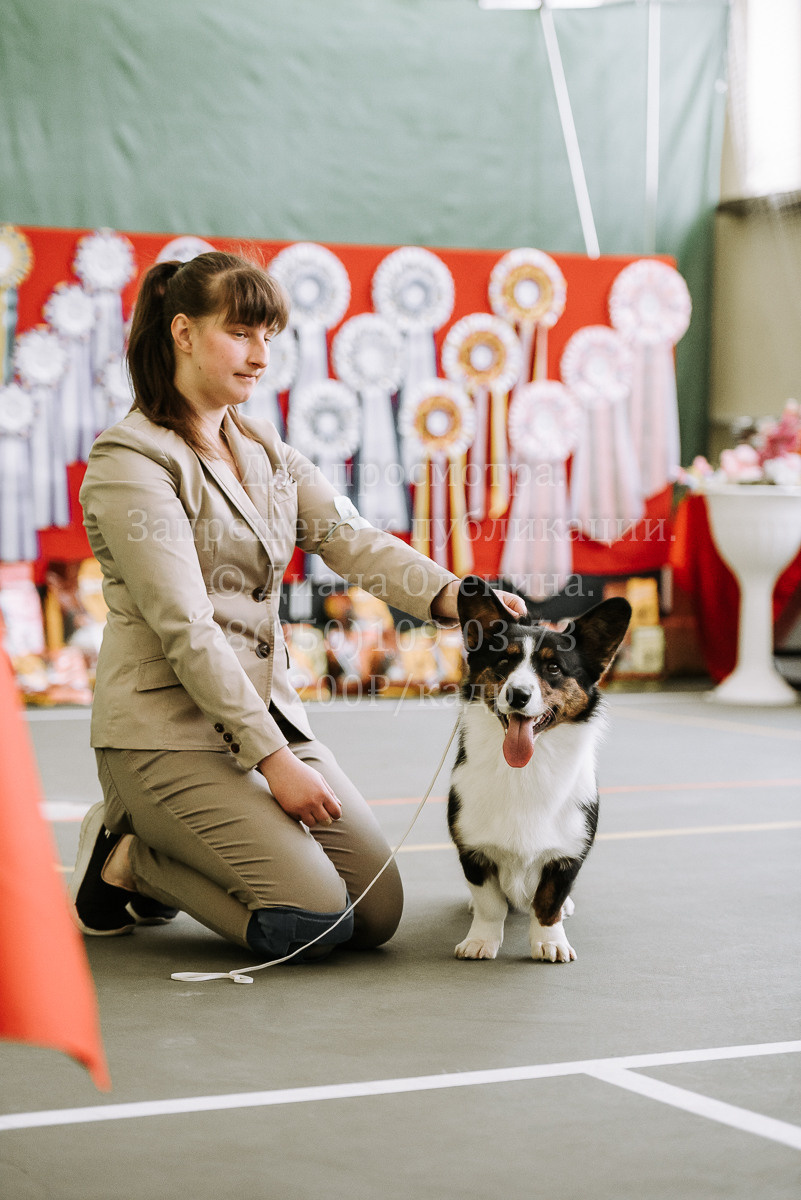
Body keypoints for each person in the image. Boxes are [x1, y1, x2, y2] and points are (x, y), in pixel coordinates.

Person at [71, 250, 524, 964]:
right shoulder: (131, 460)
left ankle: (162, 851)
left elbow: (353, 541)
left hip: (265, 714)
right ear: (182, 333)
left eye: (270, 338)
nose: (260, 357)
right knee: (311, 921)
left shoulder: (263, 448)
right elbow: (187, 628)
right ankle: (127, 857)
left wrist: (454, 594)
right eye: (242, 333)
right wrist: (275, 761)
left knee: (376, 913)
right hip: (164, 734)